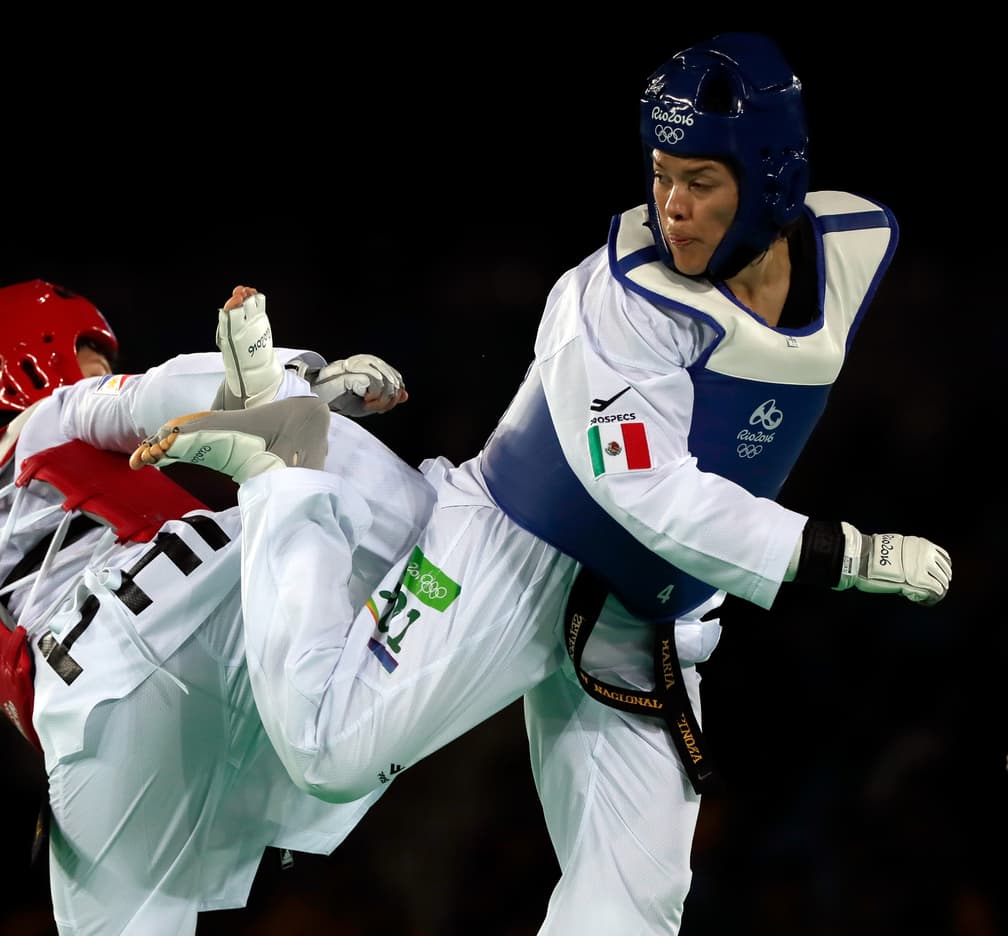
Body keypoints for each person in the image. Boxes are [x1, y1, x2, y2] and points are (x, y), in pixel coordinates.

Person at [134, 32, 953, 934]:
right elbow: (652, 495)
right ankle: (283, 467)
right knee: (328, 752)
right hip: (517, 551)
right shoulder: (617, 299)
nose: (671, 207)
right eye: (661, 174)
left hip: (649, 618)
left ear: (772, 181)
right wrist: (844, 554)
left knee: (632, 906)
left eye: (701, 183)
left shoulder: (853, 243)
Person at [0, 279, 432, 935]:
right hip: (210, 602)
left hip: (87, 710)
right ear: (33, 357)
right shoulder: (58, 413)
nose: (103, 368)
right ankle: (492, 538)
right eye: (90, 352)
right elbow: (167, 392)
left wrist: (0, 664)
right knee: (347, 493)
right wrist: (305, 379)